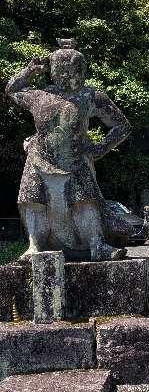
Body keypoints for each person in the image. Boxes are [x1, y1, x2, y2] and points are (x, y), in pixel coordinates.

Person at [6, 39, 131, 261]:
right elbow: (11, 90)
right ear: (53, 71)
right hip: (40, 157)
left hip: (76, 158)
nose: (67, 75)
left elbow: (122, 125)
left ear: (82, 70)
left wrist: (98, 149)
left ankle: (97, 244)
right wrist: (29, 71)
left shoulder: (90, 96)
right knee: (33, 200)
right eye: (62, 70)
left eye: (74, 69)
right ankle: (35, 244)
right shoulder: (40, 96)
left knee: (86, 202)